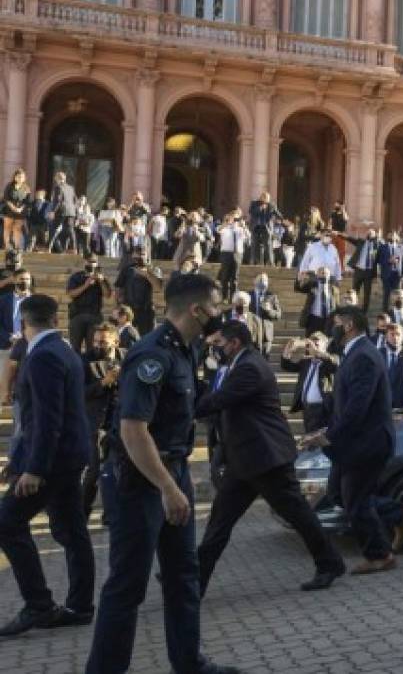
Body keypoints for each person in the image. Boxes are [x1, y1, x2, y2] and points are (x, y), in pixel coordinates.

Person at [86, 273, 239, 673]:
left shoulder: (185, 349)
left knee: (183, 576)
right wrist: (169, 489)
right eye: (217, 305)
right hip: (140, 481)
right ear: (197, 310)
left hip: (172, 472)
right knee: (128, 586)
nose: (220, 313)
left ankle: (189, 663)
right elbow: (132, 431)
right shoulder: (151, 354)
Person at [195, 320, 346, 594]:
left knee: (299, 514)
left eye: (220, 344)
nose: (217, 349)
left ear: (235, 343)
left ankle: (329, 563)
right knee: (220, 520)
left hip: (266, 458)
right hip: (246, 459)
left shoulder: (250, 367)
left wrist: (186, 407)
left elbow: (218, 401)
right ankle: (195, 578)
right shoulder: (243, 363)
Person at [0, 294, 95, 636]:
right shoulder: (64, 351)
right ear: (56, 319)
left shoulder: (41, 357)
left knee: (7, 522)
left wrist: (34, 469)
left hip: (53, 462)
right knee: (72, 530)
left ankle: (38, 604)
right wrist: (18, 461)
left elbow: (46, 420)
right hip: (68, 457)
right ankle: (81, 606)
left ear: (22, 322)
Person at [301, 305, 398, 575]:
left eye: (336, 322)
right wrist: (322, 431)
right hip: (352, 443)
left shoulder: (364, 356)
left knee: (356, 501)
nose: (332, 328)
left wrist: (327, 436)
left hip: (367, 443)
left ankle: (380, 555)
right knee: (338, 494)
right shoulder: (354, 352)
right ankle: (398, 513)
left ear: (349, 325)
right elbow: (344, 404)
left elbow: (357, 407)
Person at [81, 323, 122, 516]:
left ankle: (111, 512)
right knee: (93, 472)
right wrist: (103, 383)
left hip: (120, 423)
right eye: (96, 341)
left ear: (116, 341)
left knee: (116, 469)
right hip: (94, 423)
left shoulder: (127, 358)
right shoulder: (84, 360)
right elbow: (79, 393)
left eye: (103, 342)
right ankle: (82, 511)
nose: (98, 345)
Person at [282, 334, 336, 435]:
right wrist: (288, 349)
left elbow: (335, 364)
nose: (313, 347)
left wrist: (317, 353)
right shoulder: (306, 361)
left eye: (317, 343)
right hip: (307, 409)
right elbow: (287, 366)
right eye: (311, 344)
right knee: (310, 440)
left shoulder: (328, 361)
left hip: (322, 409)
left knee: (321, 441)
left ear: (325, 345)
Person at [66, 253, 112, 354]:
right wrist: (86, 285)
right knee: (74, 348)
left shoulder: (102, 278)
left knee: (93, 348)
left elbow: (107, 295)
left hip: (94, 316)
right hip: (77, 315)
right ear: (84, 262)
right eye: (89, 261)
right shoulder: (76, 277)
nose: (91, 264)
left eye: (94, 262)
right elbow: (71, 294)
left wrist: (101, 282)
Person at [114, 247, 163, 335]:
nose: (140, 257)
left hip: (146, 310)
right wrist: (118, 304)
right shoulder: (127, 270)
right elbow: (118, 287)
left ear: (147, 255)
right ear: (133, 256)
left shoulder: (154, 269)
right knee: (127, 338)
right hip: (129, 310)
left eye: (142, 254)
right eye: (137, 254)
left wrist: (147, 274)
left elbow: (158, 287)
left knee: (148, 339)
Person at [379, 322, 403, 409]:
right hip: (381, 405)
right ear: (386, 336)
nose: (395, 337)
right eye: (392, 334)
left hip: (402, 405)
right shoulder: (378, 354)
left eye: (398, 334)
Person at [341, 228, 381, 313]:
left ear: (375, 235)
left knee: (367, 293)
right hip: (359, 270)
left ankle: (364, 312)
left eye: (372, 233)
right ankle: (353, 309)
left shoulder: (377, 245)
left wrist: (378, 238)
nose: (370, 234)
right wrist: (339, 234)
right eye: (369, 233)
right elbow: (350, 239)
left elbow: (380, 252)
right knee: (354, 291)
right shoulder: (361, 242)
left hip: (369, 272)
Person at [296, 267, 340, 337]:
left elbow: (337, 304)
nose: (324, 275)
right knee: (311, 340)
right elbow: (299, 288)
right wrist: (300, 280)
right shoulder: (311, 285)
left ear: (329, 275)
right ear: (317, 275)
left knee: (328, 341)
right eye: (322, 273)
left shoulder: (334, 289)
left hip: (329, 319)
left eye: (326, 273)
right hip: (314, 319)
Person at [216, 215, 248, 302]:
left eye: (236, 220)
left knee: (235, 277)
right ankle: (224, 297)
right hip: (226, 253)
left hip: (237, 254)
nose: (234, 221)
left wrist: (244, 226)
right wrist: (226, 223)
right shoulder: (225, 229)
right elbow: (218, 230)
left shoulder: (240, 229)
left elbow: (247, 237)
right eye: (233, 219)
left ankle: (233, 298)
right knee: (225, 276)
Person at [0, 268, 33, 353]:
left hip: (29, 346)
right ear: (14, 280)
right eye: (21, 279)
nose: (25, 282)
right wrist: (9, 337)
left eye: (27, 279)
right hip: (6, 346)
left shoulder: (36, 300)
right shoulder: (3, 300)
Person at [249, 273, 281, 354]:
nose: (262, 282)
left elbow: (278, 315)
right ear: (254, 281)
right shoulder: (247, 295)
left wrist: (269, 310)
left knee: (264, 361)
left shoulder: (272, 296)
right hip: (251, 333)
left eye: (265, 280)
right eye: (260, 279)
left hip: (266, 335)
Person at [48, 172, 79, 253]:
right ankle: (73, 249)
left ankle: (49, 248)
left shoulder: (58, 187)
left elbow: (58, 201)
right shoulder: (71, 188)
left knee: (53, 229)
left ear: (57, 178)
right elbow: (76, 201)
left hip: (61, 211)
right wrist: (76, 212)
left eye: (56, 178)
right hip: (71, 212)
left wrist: (52, 211)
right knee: (70, 230)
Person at [248, 191, 281, 265]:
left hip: (266, 228)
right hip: (256, 227)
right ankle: (255, 262)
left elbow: (277, 213)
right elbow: (251, 212)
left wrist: (282, 219)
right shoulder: (254, 203)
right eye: (266, 198)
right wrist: (260, 208)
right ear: (262, 197)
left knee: (268, 245)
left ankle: (271, 262)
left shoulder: (271, 205)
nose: (267, 200)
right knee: (255, 245)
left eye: (268, 199)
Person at [2, 168, 30, 251]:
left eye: (21, 177)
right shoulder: (9, 185)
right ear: (15, 177)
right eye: (18, 177)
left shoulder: (26, 188)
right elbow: (6, 198)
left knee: (17, 229)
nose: (20, 178)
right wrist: (13, 207)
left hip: (20, 212)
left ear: (24, 178)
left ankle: (17, 246)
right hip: (9, 211)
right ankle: (7, 246)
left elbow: (27, 201)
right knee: (7, 228)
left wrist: (20, 209)